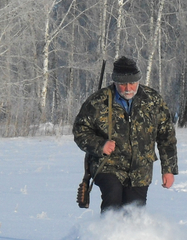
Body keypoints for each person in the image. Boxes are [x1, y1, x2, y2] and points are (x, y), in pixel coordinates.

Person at [73, 56, 178, 213]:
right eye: (123, 84)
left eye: (132, 83)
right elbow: (80, 130)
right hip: (107, 165)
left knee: (134, 210)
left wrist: (168, 169)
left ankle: (132, 237)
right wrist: (100, 145)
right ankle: (106, 235)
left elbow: (166, 136)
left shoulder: (153, 100)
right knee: (113, 199)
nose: (128, 88)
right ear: (115, 82)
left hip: (140, 168)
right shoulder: (98, 102)